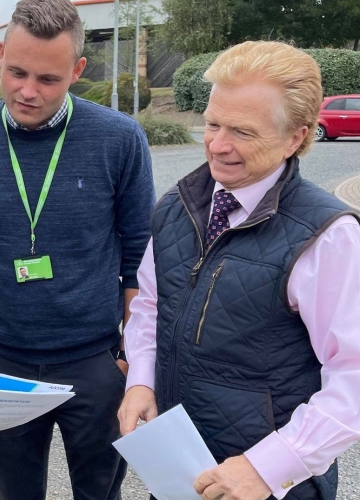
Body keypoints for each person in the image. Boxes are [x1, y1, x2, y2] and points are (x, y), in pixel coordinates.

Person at [0, 0, 155, 500]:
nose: (27, 91)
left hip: (95, 363)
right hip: (2, 364)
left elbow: (138, 253)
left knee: (99, 493)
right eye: (16, 72)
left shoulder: (119, 139)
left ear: (77, 69)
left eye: (48, 79)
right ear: (2, 55)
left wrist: (128, 354)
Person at [119, 41, 360, 500]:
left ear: (296, 137)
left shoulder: (328, 236)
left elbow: (354, 377)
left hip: (267, 487)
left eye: (243, 132)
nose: (218, 145)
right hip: (180, 470)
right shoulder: (178, 205)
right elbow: (150, 304)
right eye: (212, 124)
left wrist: (268, 467)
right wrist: (141, 381)